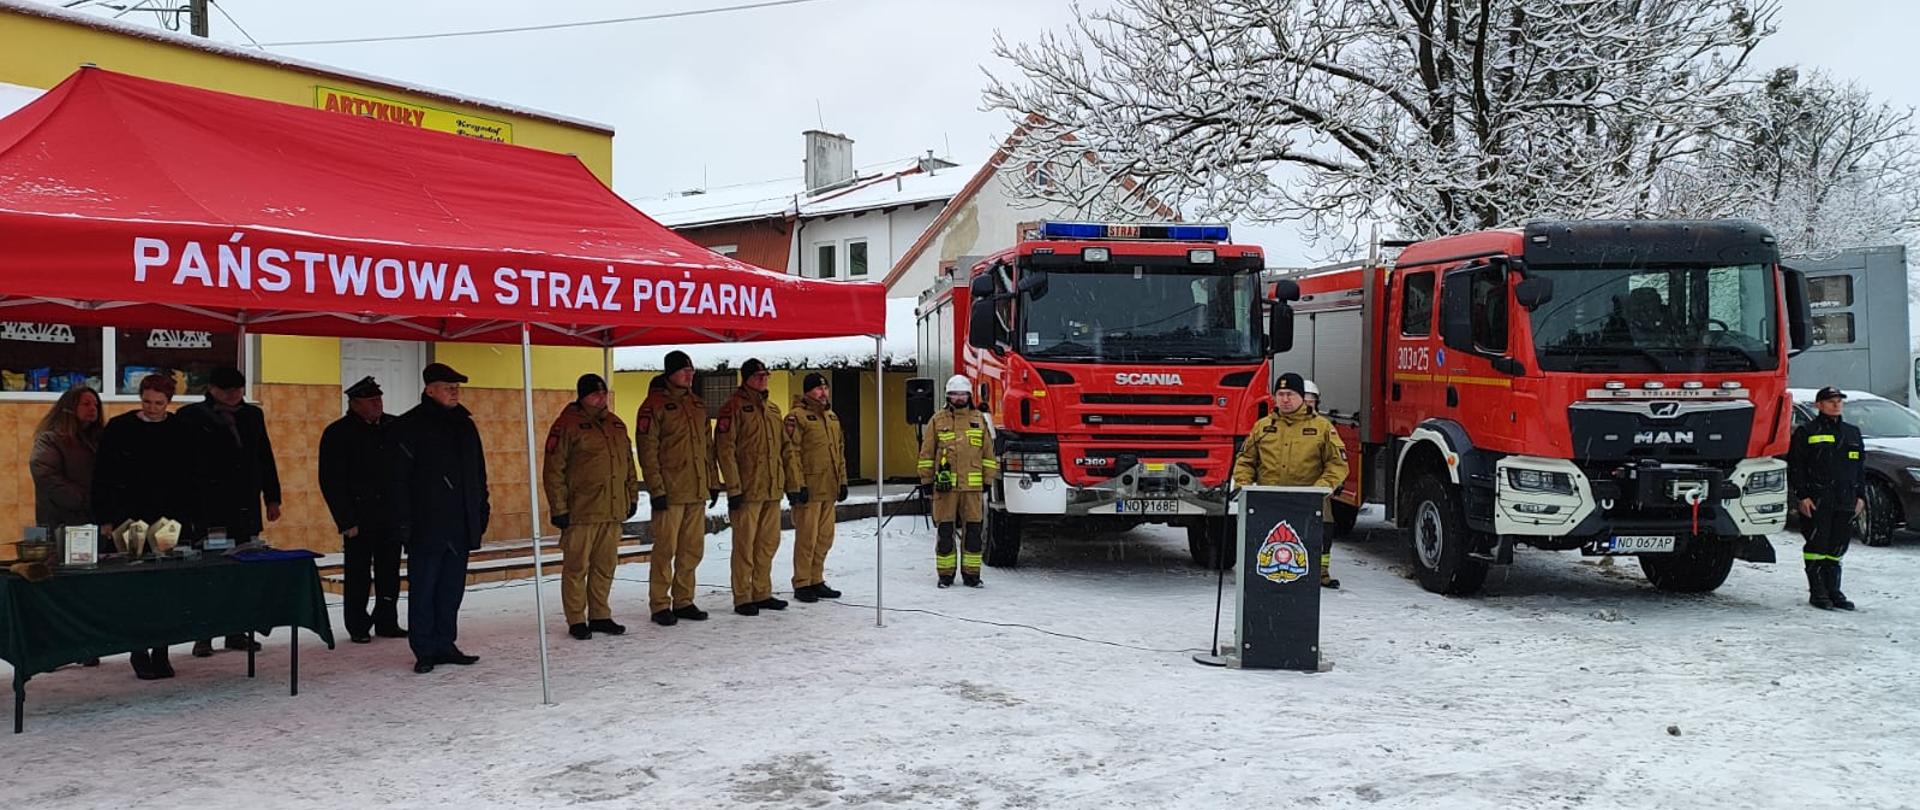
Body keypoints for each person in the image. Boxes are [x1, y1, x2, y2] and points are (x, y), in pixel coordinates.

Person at [389, 363, 489, 673]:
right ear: (430, 390)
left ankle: (445, 642)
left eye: (457, 388)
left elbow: (478, 474)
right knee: (424, 589)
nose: (455, 392)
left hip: (459, 524)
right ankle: (424, 648)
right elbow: (398, 479)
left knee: (450, 589)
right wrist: (404, 522)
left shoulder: (465, 425)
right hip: (426, 525)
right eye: (448, 387)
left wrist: (480, 509)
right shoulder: (410, 425)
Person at [177, 366, 281, 657]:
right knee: (210, 572)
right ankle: (204, 634)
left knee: (242, 573)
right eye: (227, 390)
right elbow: (183, 467)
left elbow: (265, 456)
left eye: (238, 389)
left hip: (245, 507)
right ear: (212, 389)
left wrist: (272, 498)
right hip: (208, 509)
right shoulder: (191, 417)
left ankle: (237, 631)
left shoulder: (252, 415)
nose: (234, 395)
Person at [94, 373, 192, 679]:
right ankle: (138, 651)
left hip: (167, 520)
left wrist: (189, 519)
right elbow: (103, 475)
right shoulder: (120, 428)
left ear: (169, 402)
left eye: (158, 403)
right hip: (128, 518)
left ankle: (161, 651)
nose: (152, 408)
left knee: (165, 587)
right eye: (147, 402)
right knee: (135, 586)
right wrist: (106, 518)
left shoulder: (180, 429)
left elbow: (190, 477)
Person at [543, 373, 640, 639]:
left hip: (611, 509)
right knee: (576, 567)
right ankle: (576, 618)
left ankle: (600, 615)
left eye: (604, 393)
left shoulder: (616, 424)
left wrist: (632, 496)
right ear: (583, 396)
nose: (602, 398)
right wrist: (559, 508)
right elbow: (554, 470)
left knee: (605, 566)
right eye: (596, 394)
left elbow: (628, 465)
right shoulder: (567, 425)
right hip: (581, 510)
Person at [1232, 373, 1350, 588]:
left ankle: (1319, 574)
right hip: (1270, 501)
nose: (1285, 399)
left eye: (1290, 394)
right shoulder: (1262, 427)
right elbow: (1246, 460)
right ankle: (1268, 576)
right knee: (1272, 543)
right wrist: (1243, 484)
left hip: (1311, 502)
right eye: (1280, 394)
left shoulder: (1322, 427)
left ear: (1302, 397)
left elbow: (1337, 464)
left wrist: (1321, 489)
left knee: (1315, 540)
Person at [636, 350, 722, 626]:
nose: (690, 375)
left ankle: (684, 599)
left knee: (692, 549)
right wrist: (656, 489)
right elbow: (648, 451)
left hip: (695, 490)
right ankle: (660, 603)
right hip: (670, 492)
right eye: (684, 371)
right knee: (665, 549)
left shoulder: (697, 404)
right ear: (671, 373)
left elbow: (707, 448)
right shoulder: (654, 405)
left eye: (692, 371)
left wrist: (712, 481)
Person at [319, 376, 406, 645]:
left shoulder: (394, 427)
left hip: (390, 514)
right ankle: (357, 625)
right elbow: (331, 481)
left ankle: (387, 621)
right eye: (371, 400)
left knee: (389, 571)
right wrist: (346, 519)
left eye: (379, 399)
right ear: (355, 404)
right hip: (359, 516)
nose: (378, 404)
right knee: (358, 573)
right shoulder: (338, 433)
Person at [714, 359, 801, 616]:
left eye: (766, 375)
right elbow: (725, 449)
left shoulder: (773, 410)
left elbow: (786, 449)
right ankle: (742, 596)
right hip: (747, 489)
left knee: (768, 543)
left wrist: (793, 483)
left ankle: (762, 591)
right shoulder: (733, 408)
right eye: (758, 376)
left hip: (771, 489)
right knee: (745, 545)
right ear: (747, 378)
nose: (763, 379)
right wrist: (733, 488)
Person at [30, 384, 104, 669]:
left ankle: (85, 646)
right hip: (58, 524)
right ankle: (52, 650)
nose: (92, 409)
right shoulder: (50, 440)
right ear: (69, 407)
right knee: (58, 590)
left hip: (89, 526)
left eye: (95, 404)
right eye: (86, 403)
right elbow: (45, 475)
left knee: (86, 591)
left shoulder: (97, 440)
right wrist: (84, 499)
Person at [1787, 386, 1866, 611]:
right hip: (1818, 500)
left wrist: (1860, 496)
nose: (1836, 404)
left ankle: (1834, 590)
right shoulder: (1807, 431)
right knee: (1817, 545)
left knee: (1837, 546)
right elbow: (1796, 466)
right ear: (1819, 405)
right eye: (1831, 401)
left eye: (1839, 401)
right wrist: (1802, 496)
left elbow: (1859, 468)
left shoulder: (1852, 433)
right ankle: (1818, 591)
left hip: (1845, 499)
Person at [918, 374, 998, 588]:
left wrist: (988, 480)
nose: (959, 398)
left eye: (963, 394)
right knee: (945, 533)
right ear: (948, 396)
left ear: (969, 395)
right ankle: (945, 575)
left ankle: (972, 576)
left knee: (973, 534)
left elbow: (988, 454)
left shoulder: (979, 420)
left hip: (972, 490)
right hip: (945, 489)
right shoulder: (938, 420)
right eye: (954, 394)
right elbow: (926, 454)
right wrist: (926, 481)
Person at [787, 371, 848, 603]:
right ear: (807, 391)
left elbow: (839, 452)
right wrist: (797, 485)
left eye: (825, 388)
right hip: (809, 490)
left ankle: (816, 578)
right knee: (807, 539)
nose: (823, 393)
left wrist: (843, 481)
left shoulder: (832, 417)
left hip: (829, 488)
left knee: (824, 538)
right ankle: (802, 582)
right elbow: (792, 453)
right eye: (818, 388)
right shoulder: (797, 417)